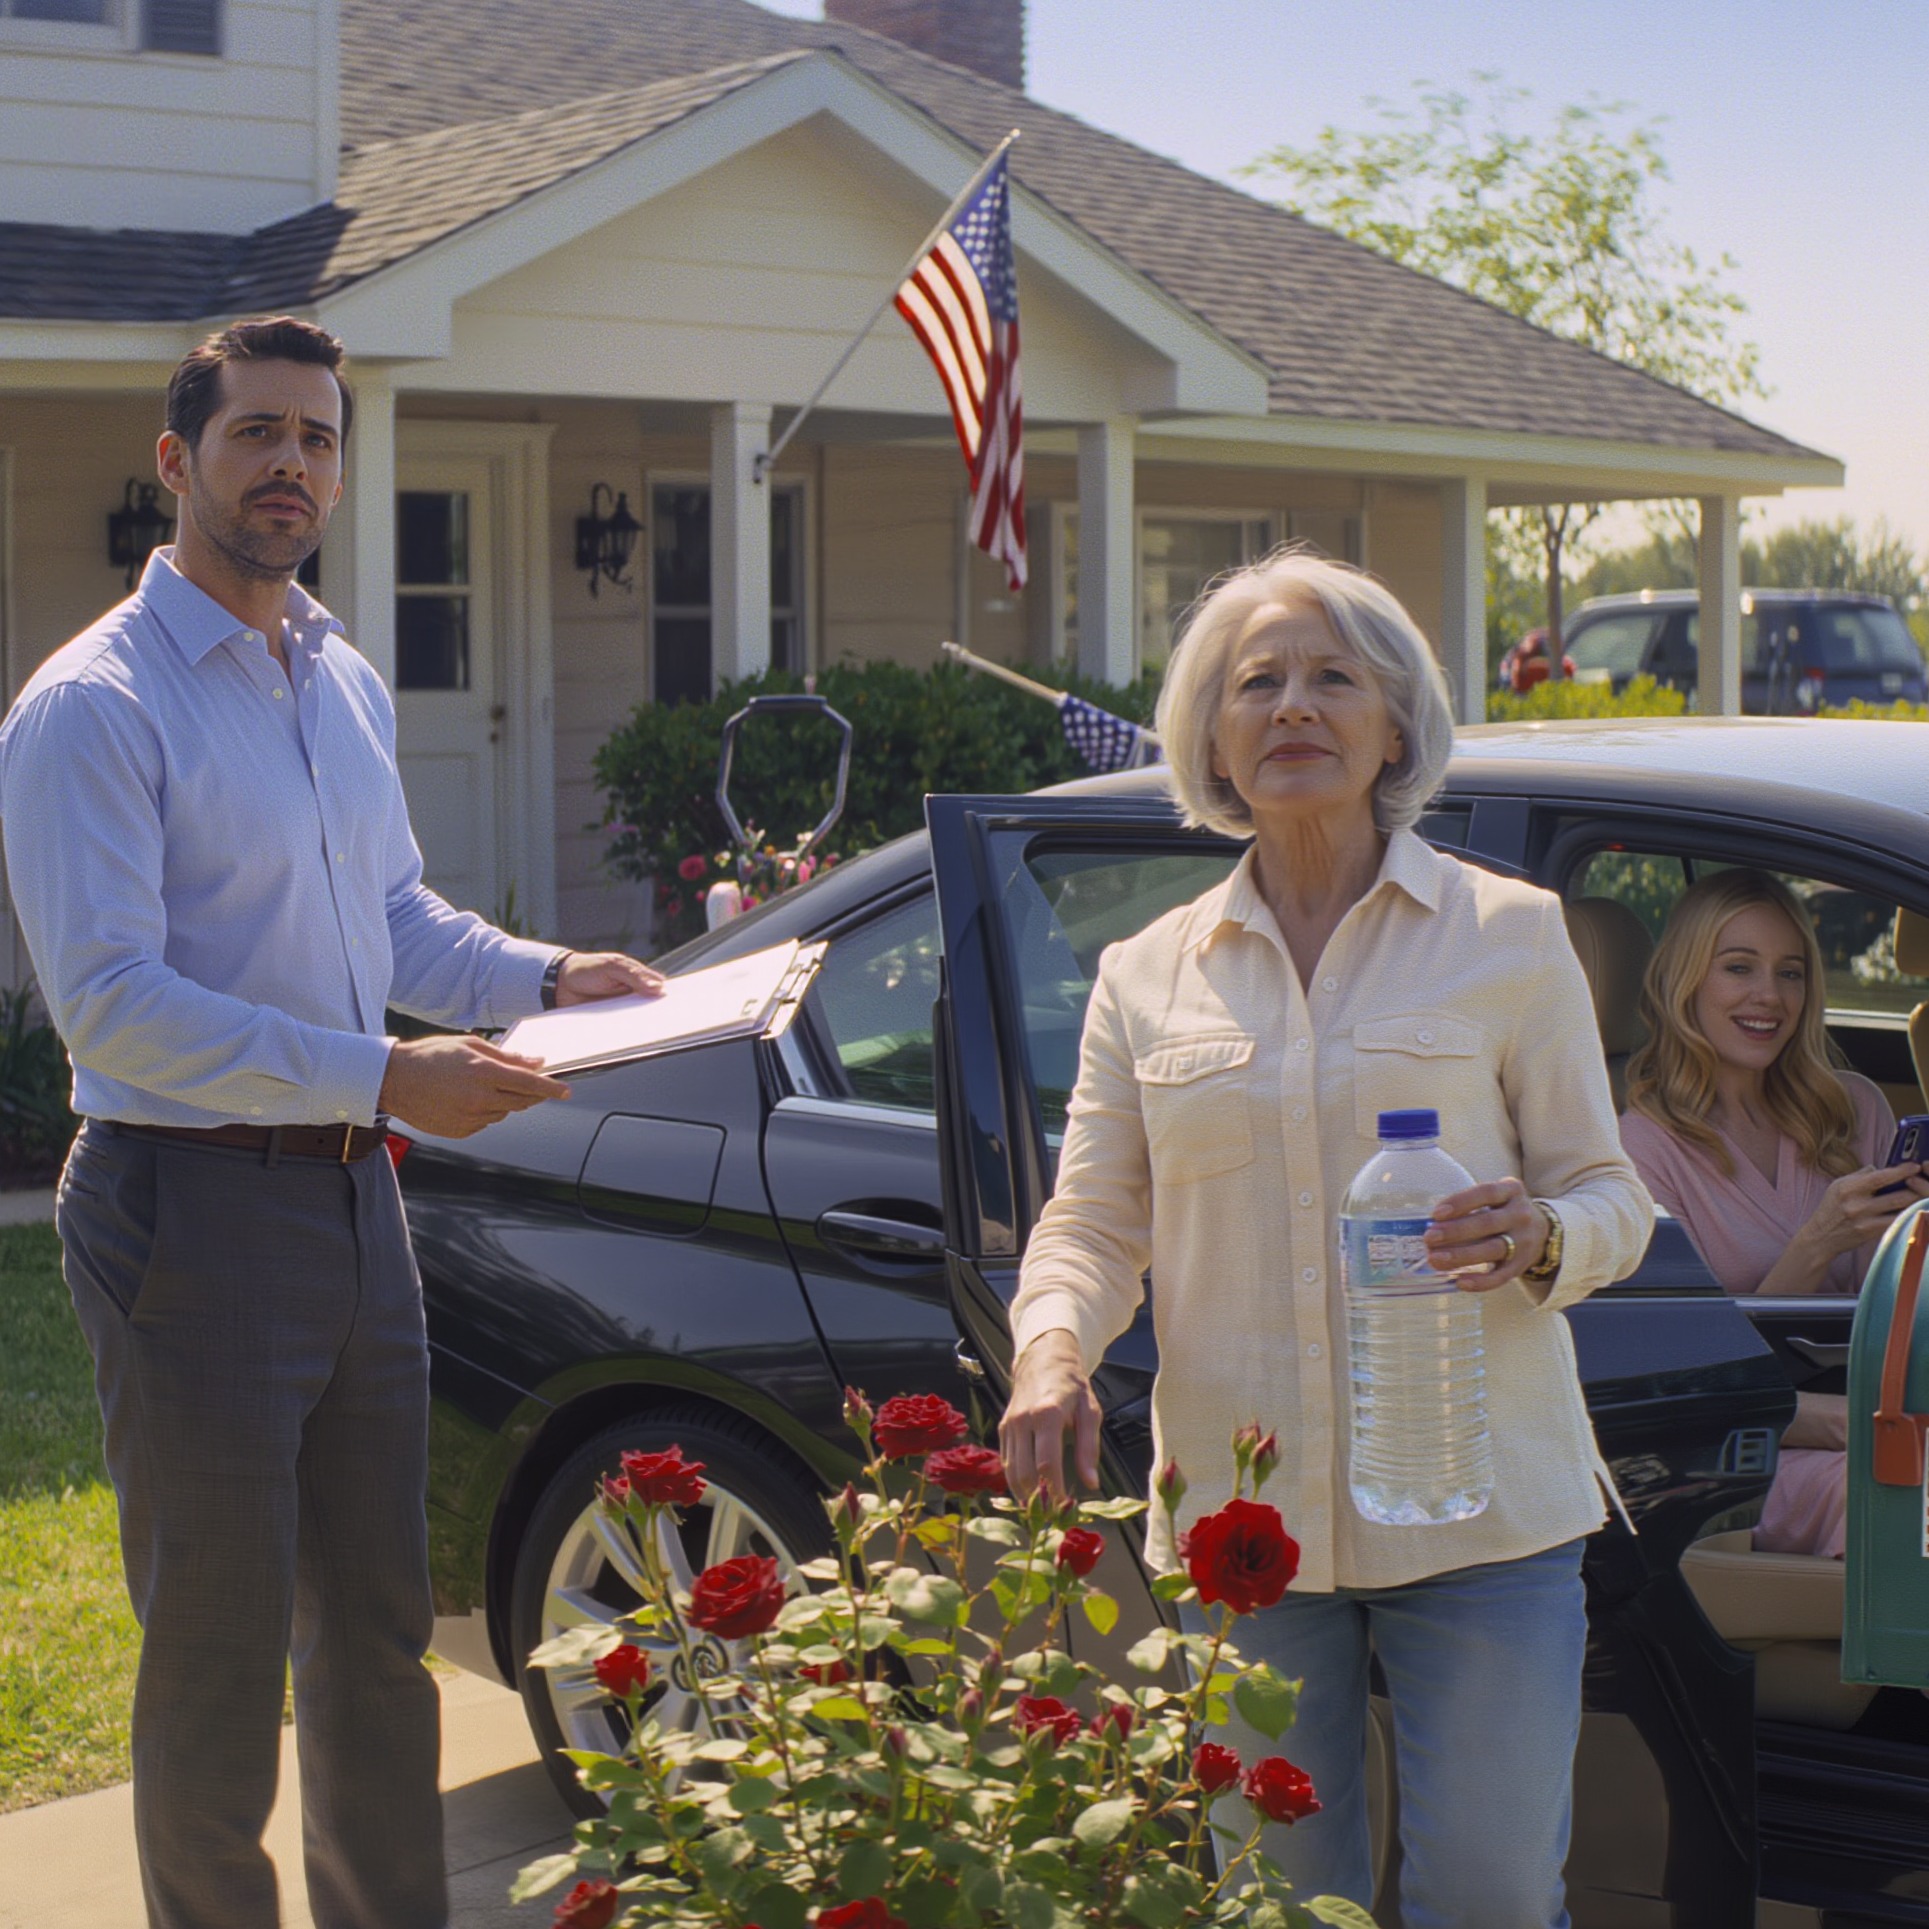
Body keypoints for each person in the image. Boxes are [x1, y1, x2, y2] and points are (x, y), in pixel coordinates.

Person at [0, 316, 662, 1929]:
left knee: (374, 1633)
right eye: (257, 433)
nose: (291, 462)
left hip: (359, 1209)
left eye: (318, 436)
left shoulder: (341, 674)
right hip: (187, 1204)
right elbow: (113, 1007)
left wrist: (554, 969)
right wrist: (383, 1075)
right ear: (178, 461)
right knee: (220, 1652)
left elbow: (396, 917)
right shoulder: (93, 706)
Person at [996, 550, 1653, 1929]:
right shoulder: (1143, 971)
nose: (1293, 705)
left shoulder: (1511, 935)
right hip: (1250, 1535)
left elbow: (1612, 1196)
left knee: (1484, 1899)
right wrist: (1050, 1354)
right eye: (1257, 684)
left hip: (1485, 1520)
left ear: (1393, 725)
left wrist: (1541, 1233)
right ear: (1216, 741)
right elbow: (1095, 1216)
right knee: (1275, 1904)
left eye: (1331, 678)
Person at [1619, 869, 1928, 1557]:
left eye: (1789, 972)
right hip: (1742, 1446)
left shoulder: (1850, 1108)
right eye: (1738, 967)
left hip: (1880, 1402)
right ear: (1684, 982)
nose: (1768, 995)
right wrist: (1816, 1242)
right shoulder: (1639, 1150)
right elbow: (1691, 1381)